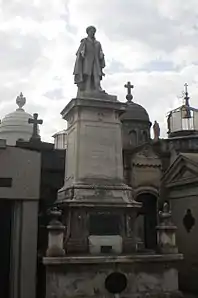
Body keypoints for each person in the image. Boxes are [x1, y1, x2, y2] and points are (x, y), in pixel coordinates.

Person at [73, 26, 105, 92]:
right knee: (88, 76)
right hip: (87, 62)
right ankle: (87, 89)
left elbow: (100, 52)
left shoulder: (98, 43)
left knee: (96, 76)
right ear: (88, 32)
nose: (92, 33)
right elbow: (79, 52)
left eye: (93, 31)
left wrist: (101, 56)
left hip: (96, 62)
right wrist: (81, 53)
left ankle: (98, 88)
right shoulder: (85, 41)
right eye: (91, 31)